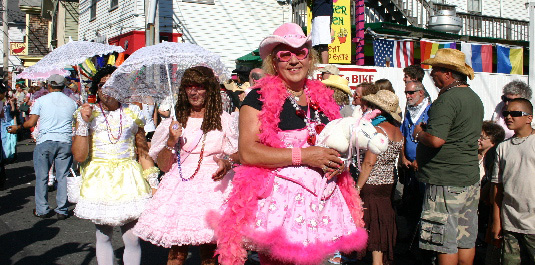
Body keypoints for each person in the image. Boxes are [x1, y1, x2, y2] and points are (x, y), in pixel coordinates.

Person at [214, 23, 368, 265]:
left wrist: (339, 163)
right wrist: (304, 156)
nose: (294, 60)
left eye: (301, 53)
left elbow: (337, 143)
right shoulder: (258, 98)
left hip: (324, 207)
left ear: (310, 58)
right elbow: (248, 152)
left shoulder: (323, 96)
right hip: (280, 210)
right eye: (285, 54)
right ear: (274, 63)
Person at [134, 66, 238, 265]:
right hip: (181, 187)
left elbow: (237, 154)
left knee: (210, 252)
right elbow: (164, 166)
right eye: (189, 86)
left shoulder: (224, 121)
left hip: (214, 188)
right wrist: (171, 142)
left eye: (199, 86)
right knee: (177, 252)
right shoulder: (173, 124)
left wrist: (227, 162)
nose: (193, 91)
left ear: (209, 90)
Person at [72, 65, 158, 265]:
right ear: (96, 89)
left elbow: (142, 151)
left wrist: (153, 182)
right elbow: (79, 155)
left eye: (113, 84)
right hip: (99, 179)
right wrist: (83, 123)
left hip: (129, 178)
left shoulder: (133, 112)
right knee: (103, 237)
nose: (107, 89)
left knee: (132, 238)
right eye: (102, 85)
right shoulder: (87, 114)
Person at [412, 48, 484, 265]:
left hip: (445, 179)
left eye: (435, 70)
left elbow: (436, 140)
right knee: (464, 238)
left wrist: (419, 133)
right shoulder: (473, 97)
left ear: (447, 73)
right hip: (468, 177)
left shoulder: (448, 99)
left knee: (444, 241)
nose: (432, 74)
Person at [8, 74, 77, 219]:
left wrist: (18, 127)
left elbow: (31, 123)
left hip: (45, 140)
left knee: (42, 176)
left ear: (49, 85)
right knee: (62, 176)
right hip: (65, 140)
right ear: (63, 86)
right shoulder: (72, 103)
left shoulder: (41, 101)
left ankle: (42, 209)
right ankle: (62, 209)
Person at [355, 90, 404, 265]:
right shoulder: (397, 131)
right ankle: (380, 260)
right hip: (388, 183)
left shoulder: (377, 130)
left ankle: (377, 262)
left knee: (374, 223)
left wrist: (357, 188)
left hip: (372, 183)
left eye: (373, 106)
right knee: (383, 220)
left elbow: (369, 163)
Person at [490, 98, 535, 265]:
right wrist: (496, 222)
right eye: (506, 113)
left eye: (515, 114)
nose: (509, 117)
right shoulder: (503, 147)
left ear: (529, 118)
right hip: (510, 223)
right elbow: (497, 187)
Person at [400, 80, 430, 236]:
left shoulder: (430, 111)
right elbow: (403, 135)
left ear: (421, 93)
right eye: (406, 92)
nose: (408, 96)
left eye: (411, 92)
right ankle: (411, 235)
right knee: (411, 204)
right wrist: (403, 157)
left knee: (424, 204)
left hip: (423, 166)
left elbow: (432, 139)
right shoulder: (409, 112)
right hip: (409, 167)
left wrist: (420, 159)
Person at [475, 121, 504, 265]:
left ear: (493, 142)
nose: (478, 140)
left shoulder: (493, 158)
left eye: (482, 137)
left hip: (484, 205)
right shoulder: (474, 156)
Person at [303, 0, 333, 64]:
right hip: (320, 12)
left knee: (322, 42)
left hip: (322, 12)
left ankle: (325, 65)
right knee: (317, 41)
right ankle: (320, 64)